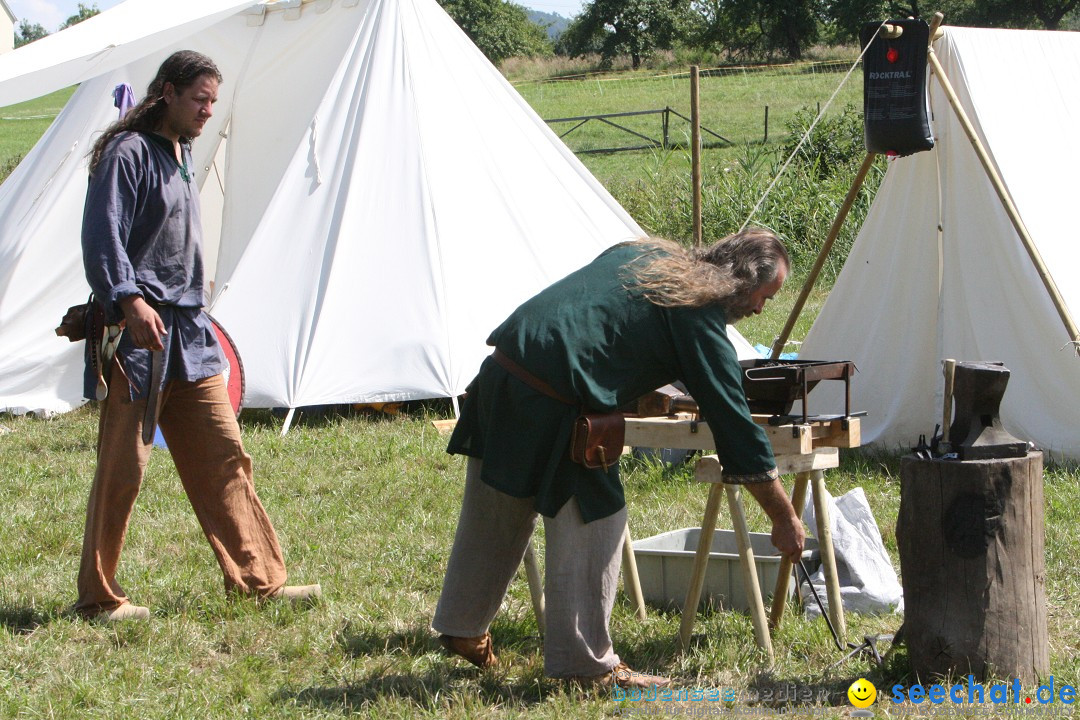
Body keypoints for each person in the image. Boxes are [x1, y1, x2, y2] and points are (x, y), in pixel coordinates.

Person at [432, 228, 803, 687]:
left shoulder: (642, 252)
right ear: (744, 281)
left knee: (499, 505)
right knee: (598, 516)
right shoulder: (698, 314)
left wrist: (639, 388)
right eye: (766, 295)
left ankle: (463, 627)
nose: (761, 308)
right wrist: (783, 518)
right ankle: (584, 666)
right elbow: (735, 426)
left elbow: (602, 322)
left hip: (504, 374)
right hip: (555, 397)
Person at [75, 50, 319, 622]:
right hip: (141, 338)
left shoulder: (181, 152)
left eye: (213, 100)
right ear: (165, 92)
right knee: (123, 470)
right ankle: (97, 597)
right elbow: (102, 237)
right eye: (199, 99)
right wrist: (129, 299)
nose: (209, 110)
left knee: (225, 457)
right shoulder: (127, 154)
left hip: (190, 333)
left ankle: (259, 579)